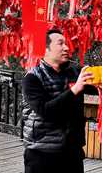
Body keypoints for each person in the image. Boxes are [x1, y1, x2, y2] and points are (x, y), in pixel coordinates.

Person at [22, 28, 95, 173]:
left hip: (72, 151)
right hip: (42, 152)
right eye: (60, 44)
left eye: (66, 44)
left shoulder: (74, 72)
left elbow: (101, 87)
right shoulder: (32, 78)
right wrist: (75, 89)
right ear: (46, 49)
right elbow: (45, 111)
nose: (66, 48)